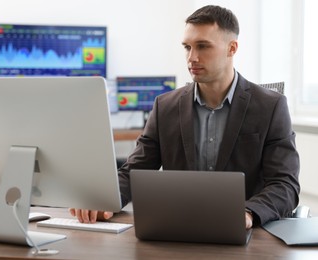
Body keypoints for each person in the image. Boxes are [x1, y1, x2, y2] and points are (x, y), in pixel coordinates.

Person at [70, 5, 300, 229]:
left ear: (232, 48)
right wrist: (105, 199)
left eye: (202, 46)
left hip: (243, 234)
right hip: (177, 227)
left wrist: (249, 213)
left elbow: (284, 185)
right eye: (187, 47)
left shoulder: (271, 106)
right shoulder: (165, 106)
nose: (192, 57)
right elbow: (134, 171)